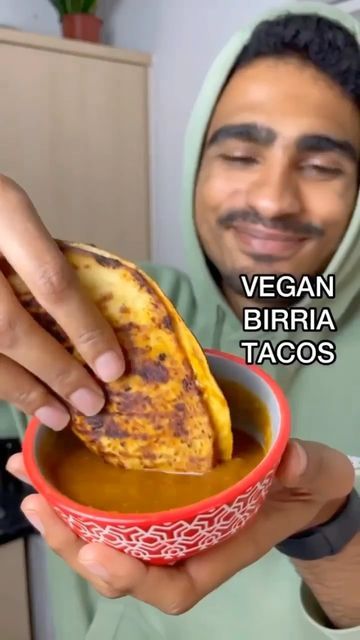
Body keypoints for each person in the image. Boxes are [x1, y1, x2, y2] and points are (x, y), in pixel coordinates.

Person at [1, 1, 360, 638]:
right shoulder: (80, 321)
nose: (273, 200)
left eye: (322, 165)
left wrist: (330, 521)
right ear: (197, 162)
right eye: (243, 155)